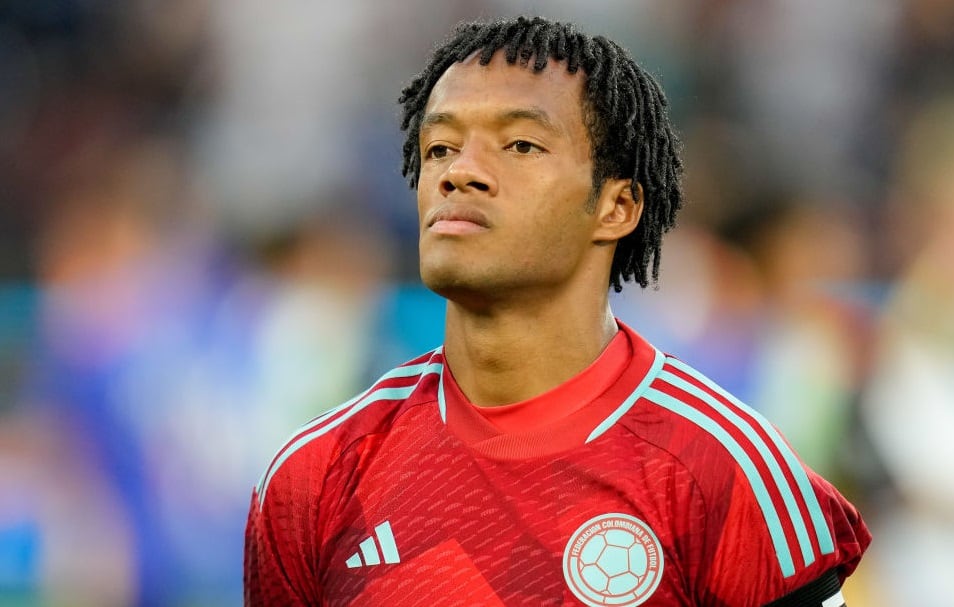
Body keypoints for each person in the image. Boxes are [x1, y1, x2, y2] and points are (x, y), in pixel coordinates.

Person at [244, 16, 871, 606]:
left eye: (518, 144)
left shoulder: (726, 469)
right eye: (439, 148)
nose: (461, 173)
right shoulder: (316, 475)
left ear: (617, 207)